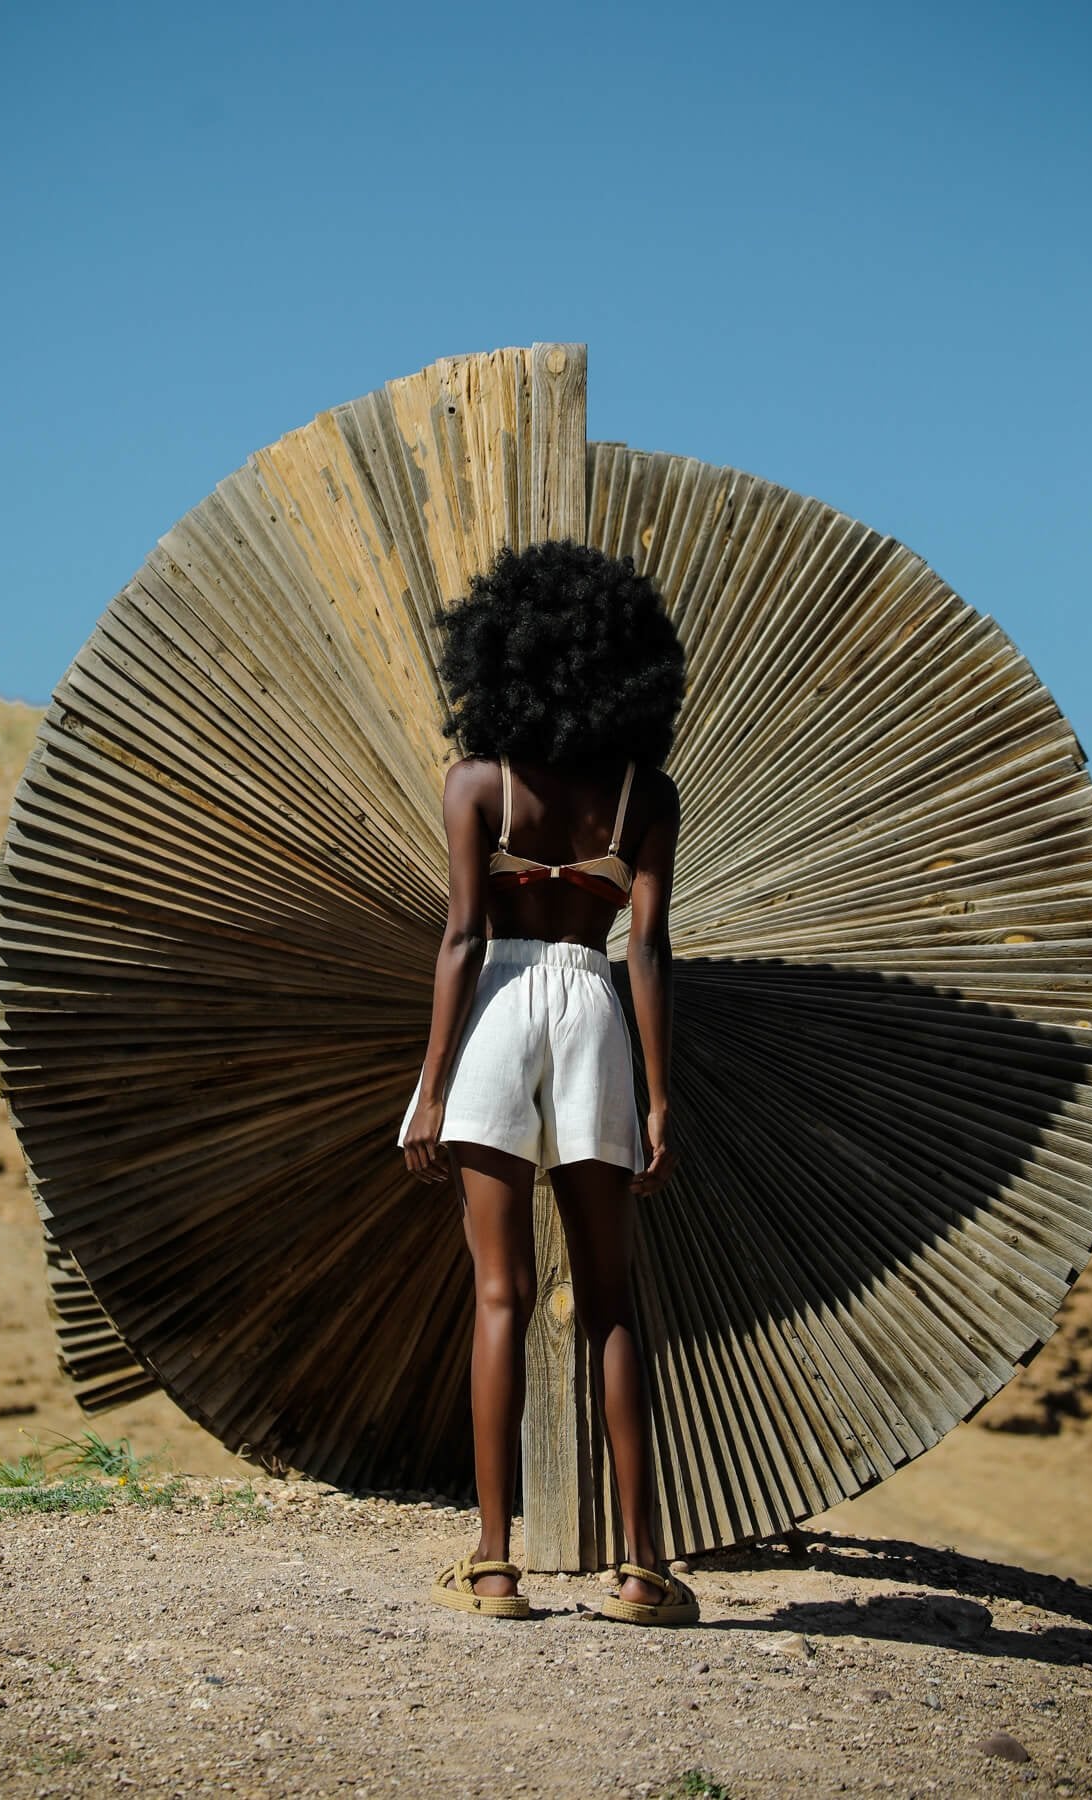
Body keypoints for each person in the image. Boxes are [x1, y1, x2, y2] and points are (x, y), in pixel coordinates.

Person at [396, 538, 697, 1626]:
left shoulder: (479, 784)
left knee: (500, 1295)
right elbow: (647, 952)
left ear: (503, 657)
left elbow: (461, 938)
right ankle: (642, 1570)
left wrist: (431, 1090)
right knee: (612, 1300)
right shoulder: (644, 795)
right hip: (592, 1009)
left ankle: (493, 1567)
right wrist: (658, 1099)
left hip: (493, 1015)